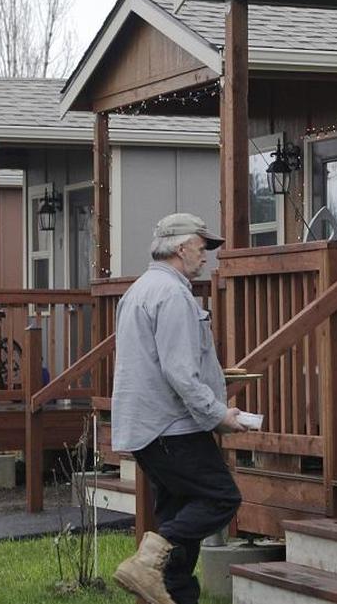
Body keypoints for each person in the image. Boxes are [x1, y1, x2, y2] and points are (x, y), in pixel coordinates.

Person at [111, 212, 249, 604]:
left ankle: (163, 590)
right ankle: (145, 563)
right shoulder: (172, 295)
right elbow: (179, 372)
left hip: (148, 428)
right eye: (202, 247)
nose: (206, 256)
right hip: (173, 427)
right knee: (220, 497)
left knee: (177, 513)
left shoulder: (140, 289)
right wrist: (217, 414)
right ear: (181, 247)